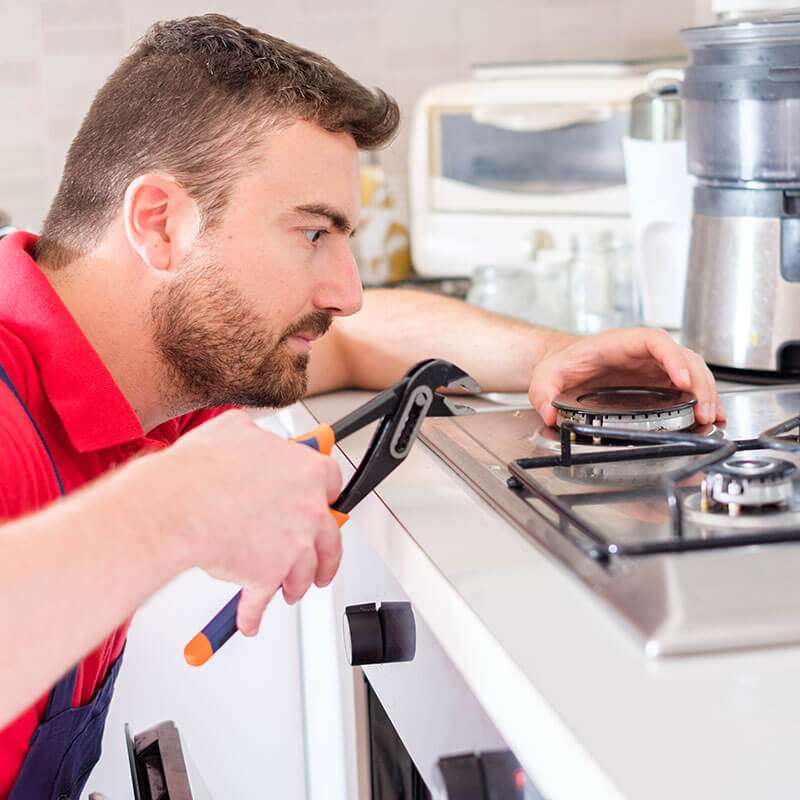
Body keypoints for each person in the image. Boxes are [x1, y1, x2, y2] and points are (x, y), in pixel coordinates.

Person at [0, 13, 724, 799]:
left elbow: (353, 339)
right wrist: (178, 507)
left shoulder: (141, 369)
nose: (346, 291)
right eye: (313, 234)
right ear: (161, 224)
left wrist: (553, 355)